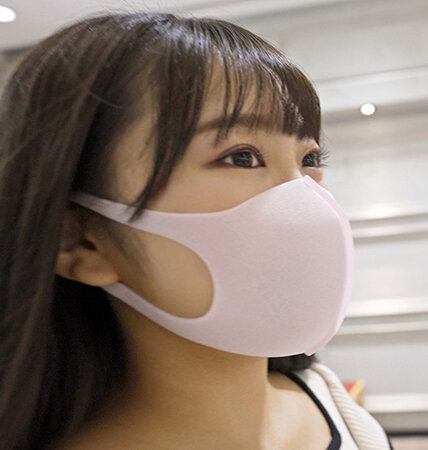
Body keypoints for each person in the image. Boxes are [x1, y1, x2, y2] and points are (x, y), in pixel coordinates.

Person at [0, 12, 392, 450]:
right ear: (81, 242)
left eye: (310, 160)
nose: (305, 200)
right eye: (241, 157)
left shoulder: (337, 407)